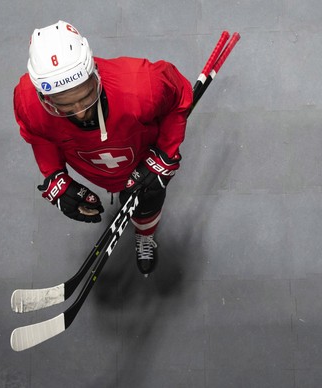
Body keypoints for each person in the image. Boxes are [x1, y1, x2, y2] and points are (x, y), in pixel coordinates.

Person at [13, 20, 193, 276]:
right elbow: (39, 135)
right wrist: (55, 176)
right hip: (95, 167)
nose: (81, 111)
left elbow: (180, 97)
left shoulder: (142, 85)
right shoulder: (26, 101)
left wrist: (165, 155)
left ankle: (145, 234)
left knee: (148, 204)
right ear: (44, 96)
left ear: (94, 72)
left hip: (142, 160)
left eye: (85, 95)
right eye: (64, 104)